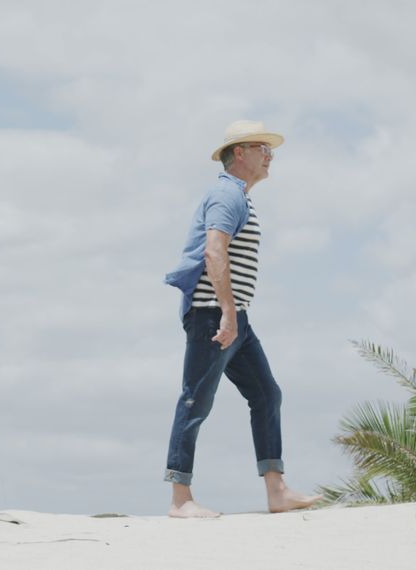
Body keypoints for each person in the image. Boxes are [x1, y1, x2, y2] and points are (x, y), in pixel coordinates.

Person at [162, 120, 322, 518]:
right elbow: (214, 253)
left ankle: (277, 490)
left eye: (272, 150)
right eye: (262, 148)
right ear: (240, 153)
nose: (270, 157)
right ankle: (180, 500)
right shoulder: (226, 195)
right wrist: (228, 315)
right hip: (213, 315)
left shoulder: (240, 197)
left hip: (235, 317)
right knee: (195, 399)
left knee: (267, 394)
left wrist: (237, 316)